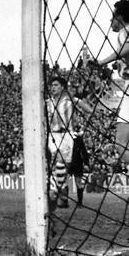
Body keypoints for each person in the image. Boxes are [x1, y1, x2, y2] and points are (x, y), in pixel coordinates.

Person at [91, 0, 129, 163]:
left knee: (121, 145)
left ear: (119, 17)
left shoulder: (124, 31)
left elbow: (127, 47)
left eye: (112, 17)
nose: (110, 22)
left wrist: (102, 61)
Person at [46, 77, 92, 209]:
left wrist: (79, 109)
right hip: (52, 135)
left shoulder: (70, 100)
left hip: (67, 135)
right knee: (56, 163)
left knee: (62, 165)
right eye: (51, 85)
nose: (52, 87)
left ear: (62, 87)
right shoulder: (47, 102)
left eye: (55, 85)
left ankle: (61, 191)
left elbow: (88, 110)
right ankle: (58, 191)